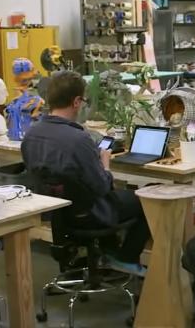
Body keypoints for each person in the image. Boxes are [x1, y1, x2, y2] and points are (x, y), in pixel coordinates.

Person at [22, 70, 149, 276]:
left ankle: (108, 250)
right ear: (76, 101)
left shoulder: (31, 135)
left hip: (56, 214)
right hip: (89, 214)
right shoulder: (78, 140)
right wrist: (105, 164)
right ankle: (126, 257)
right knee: (147, 198)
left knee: (110, 197)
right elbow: (102, 186)